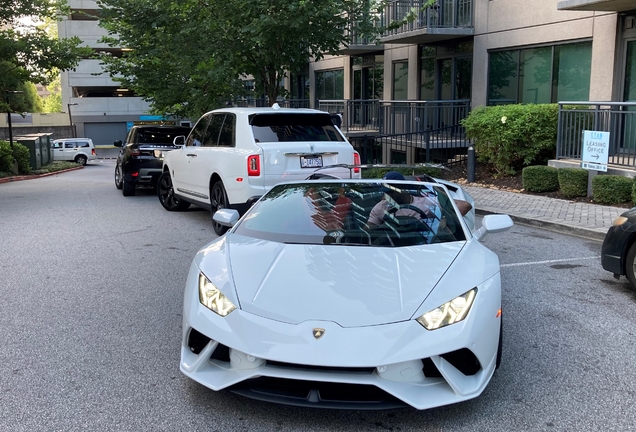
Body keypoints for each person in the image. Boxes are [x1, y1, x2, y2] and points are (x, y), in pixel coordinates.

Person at [367, 171, 472, 229]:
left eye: (391, 191)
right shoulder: (381, 207)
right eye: (386, 191)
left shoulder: (426, 202)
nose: (387, 195)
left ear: (402, 189)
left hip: (422, 246)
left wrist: (445, 220)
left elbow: (465, 205)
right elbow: (367, 232)